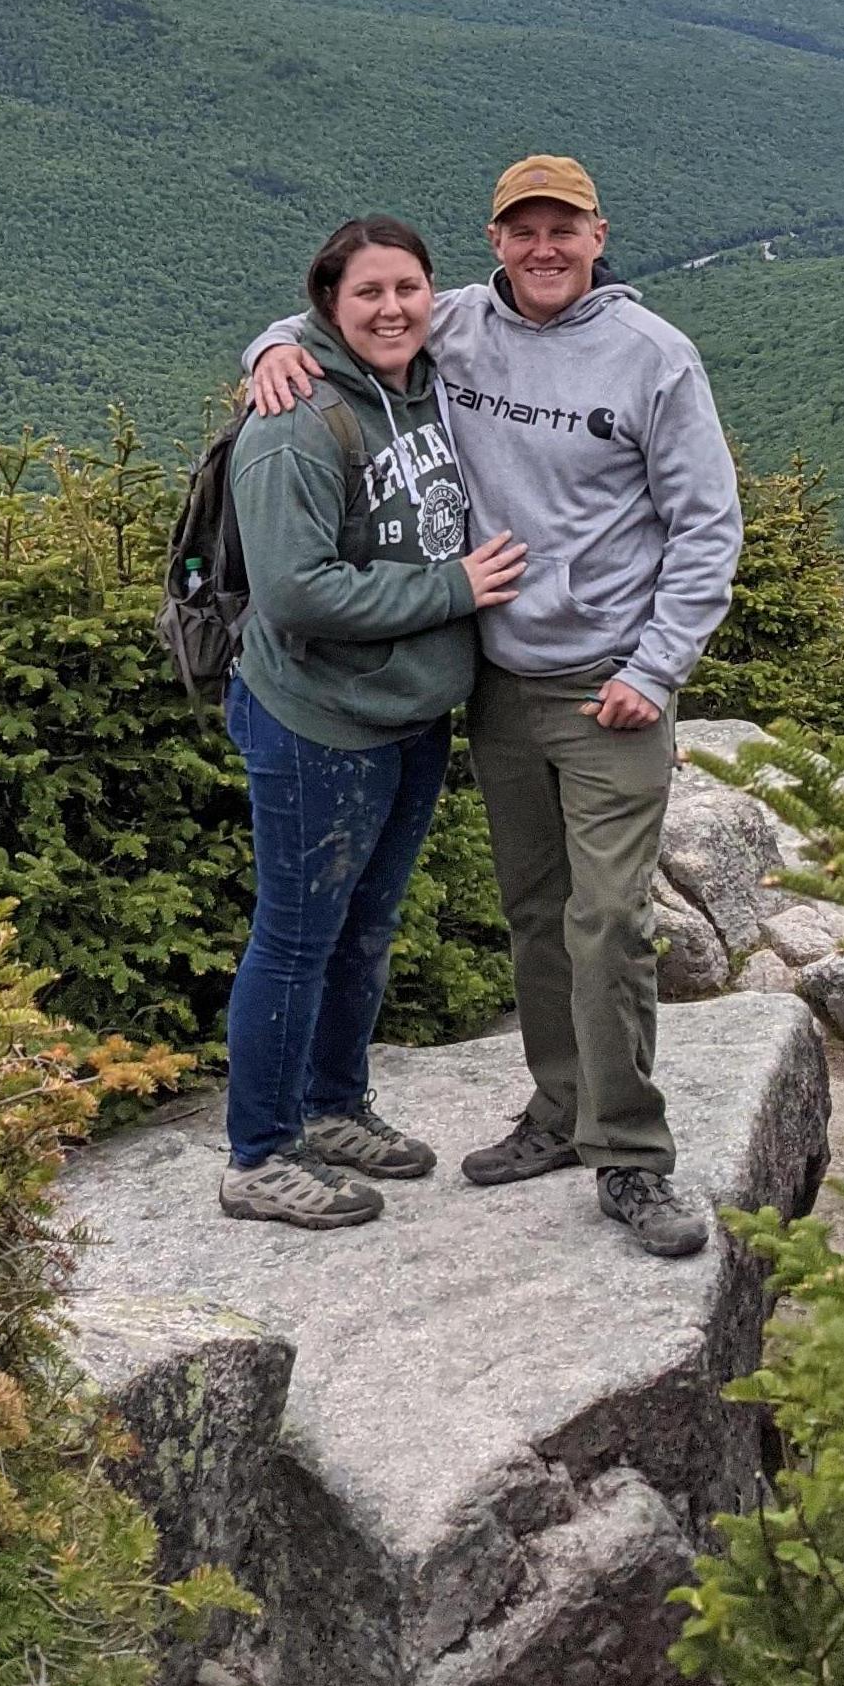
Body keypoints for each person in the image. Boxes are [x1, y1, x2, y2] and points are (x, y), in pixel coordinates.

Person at [247, 156, 741, 1260]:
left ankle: (632, 1159)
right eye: (523, 231)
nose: (544, 249)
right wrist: (267, 352)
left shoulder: (655, 358)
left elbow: (709, 527)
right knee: (536, 915)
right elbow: (334, 313)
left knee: (608, 921)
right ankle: (557, 1114)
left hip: (611, 688)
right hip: (501, 684)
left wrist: (657, 670)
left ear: (599, 236)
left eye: (563, 230)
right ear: (496, 240)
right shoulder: (456, 322)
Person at [218, 216, 529, 1229]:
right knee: (298, 938)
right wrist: (451, 592)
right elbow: (296, 593)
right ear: (328, 308)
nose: (393, 309)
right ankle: (260, 1154)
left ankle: (337, 1107)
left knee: (365, 931)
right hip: (319, 720)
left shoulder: (427, 375)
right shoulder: (297, 424)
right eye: (368, 295)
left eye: (409, 289)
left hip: (410, 716)